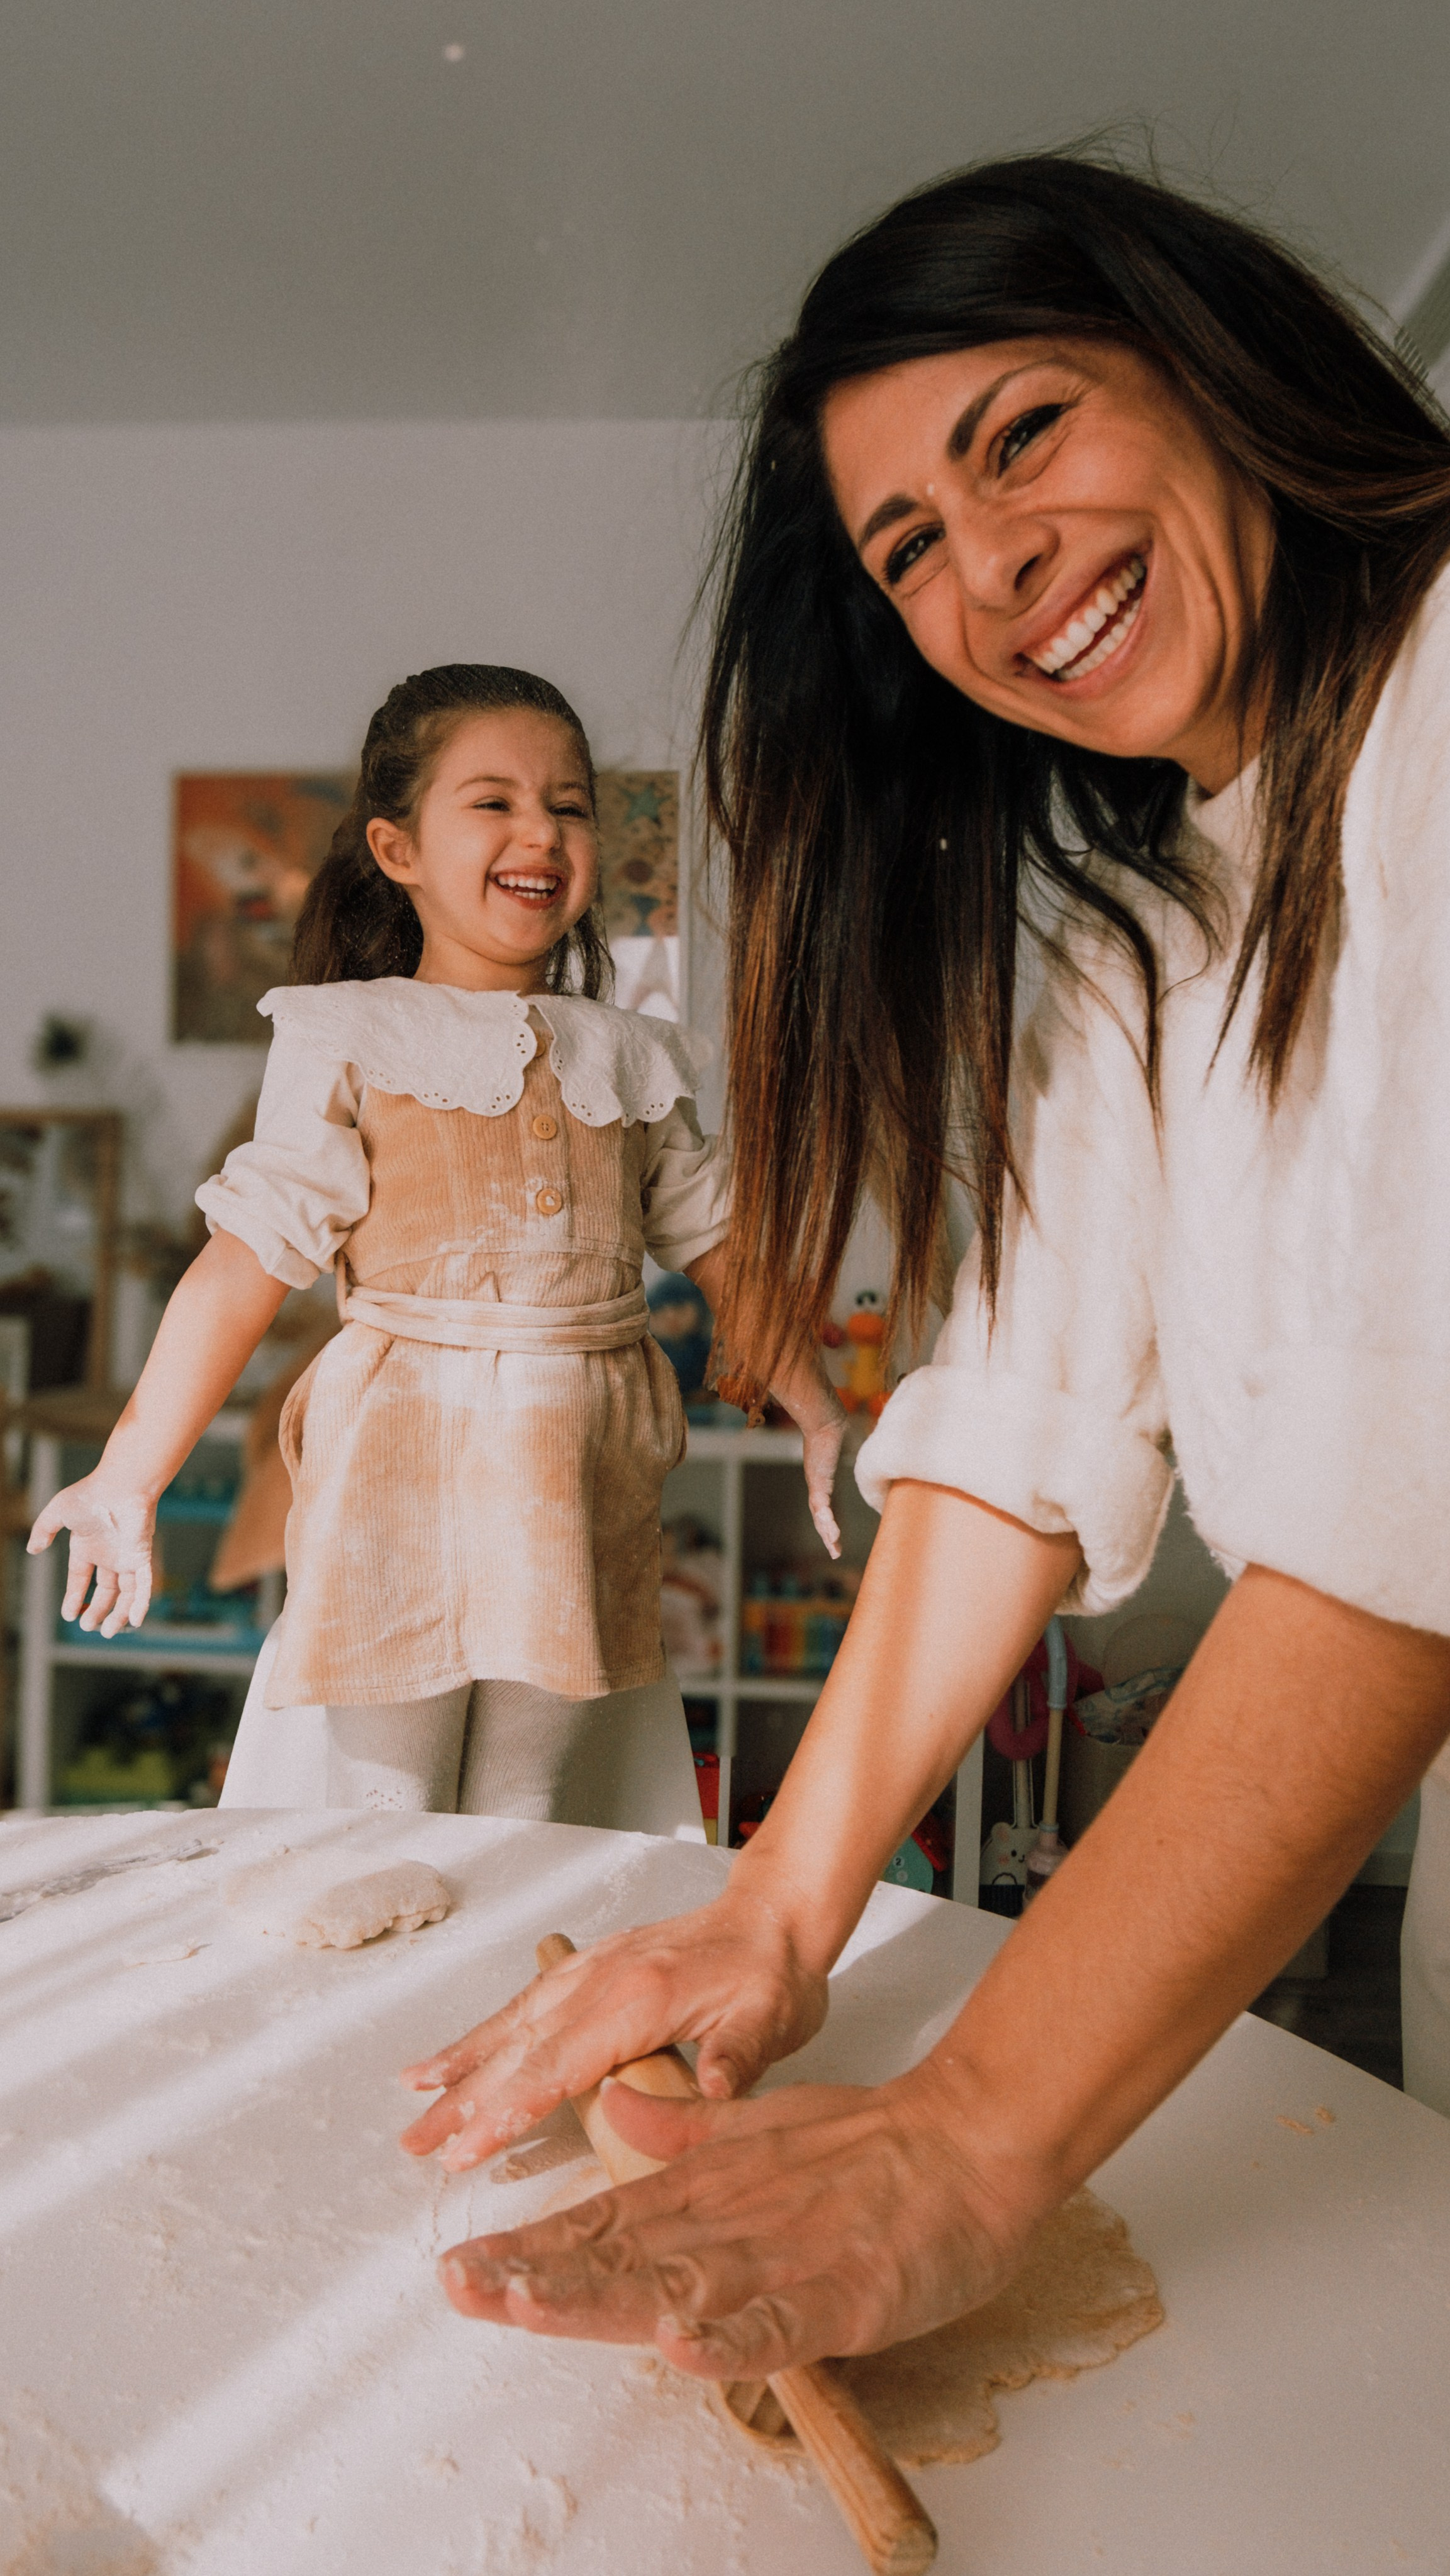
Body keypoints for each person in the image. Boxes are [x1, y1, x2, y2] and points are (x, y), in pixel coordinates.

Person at [397, 158, 1450, 2373]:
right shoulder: (1151, 920)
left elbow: (1414, 1481)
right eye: (908, 552)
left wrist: (971, 2135)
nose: (993, 570)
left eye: (1024, 435)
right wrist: (774, 1910)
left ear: (1208, 366)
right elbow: (1015, 1417)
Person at [29, 663, 842, 1826]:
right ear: (397, 848)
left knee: (526, 1807)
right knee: (387, 1802)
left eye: (569, 806)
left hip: (580, 1469)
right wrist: (128, 1473)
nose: (541, 832)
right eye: (494, 801)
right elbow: (246, 1260)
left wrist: (816, 1404)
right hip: (399, 1454)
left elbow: (717, 1241)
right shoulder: (350, 1031)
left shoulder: (632, 1053)